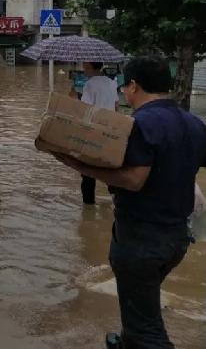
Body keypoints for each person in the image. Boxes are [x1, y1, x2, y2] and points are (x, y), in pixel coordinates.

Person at [55, 56, 206, 348]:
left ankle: (135, 340)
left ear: (133, 86)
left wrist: (79, 165)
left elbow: (134, 180)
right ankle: (126, 342)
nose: (124, 91)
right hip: (177, 238)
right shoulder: (194, 123)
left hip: (142, 239)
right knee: (140, 304)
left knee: (147, 330)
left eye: (126, 85)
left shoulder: (140, 124)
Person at [75, 61, 119, 205]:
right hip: (109, 131)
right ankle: (116, 201)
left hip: (92, 130)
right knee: (109, 168)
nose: (83, 69)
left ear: (91, 67)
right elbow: (116, 106)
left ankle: (88, 207)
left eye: (85, 67)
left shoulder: (89, 84)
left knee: (87, 172)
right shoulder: (112, 83)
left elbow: (85, 109)